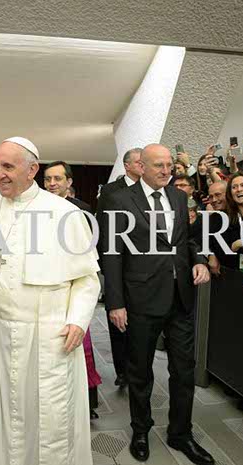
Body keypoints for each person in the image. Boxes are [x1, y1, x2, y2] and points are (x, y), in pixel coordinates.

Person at [0, 137, 99, 465]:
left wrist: (78, 320)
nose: (0, 174)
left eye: (8, 166)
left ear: (32, 169)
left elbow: (87, 278)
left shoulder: (65, 213)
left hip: (50, 334)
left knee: (49, 420)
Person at [101, 144, 213, 465]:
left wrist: (199, 260)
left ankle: (181, 433)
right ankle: (140, 430)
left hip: (180, 297)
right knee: (140, 372)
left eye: (169, 165)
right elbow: (112, 252)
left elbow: (187, 239)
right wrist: (115, 303)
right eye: (158, 166)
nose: (166, 171)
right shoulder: (120, 200)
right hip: (140, 299)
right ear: (141, 167)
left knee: (184, 370)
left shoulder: (178, 197)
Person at [43, 160, 103, 419]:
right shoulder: (37, 210)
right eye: (48, 179)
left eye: (57, 178)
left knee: (81, 343)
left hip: (75, 283)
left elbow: (89, 252)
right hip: (47, 286)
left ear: (69, 182)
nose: (52, 183)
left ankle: (87, 403)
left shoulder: (83, 210)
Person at [95, 147, 142, 387]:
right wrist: (105, 263)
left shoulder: (153, 190)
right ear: (127, 166)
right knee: (118, 320)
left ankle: (138, 368)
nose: (143, 166)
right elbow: (104, 227)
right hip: (118, 264)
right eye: (139, 162)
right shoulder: (111, 191)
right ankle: (122, 370)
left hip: (143, 266)